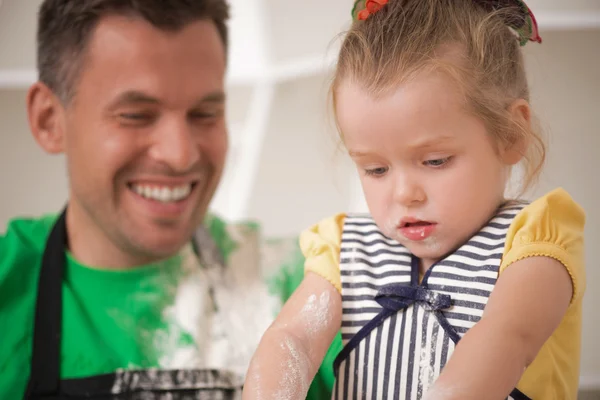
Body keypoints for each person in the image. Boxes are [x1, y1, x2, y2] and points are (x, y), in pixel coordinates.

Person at [242, 0, 586, 399]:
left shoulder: (535, 242)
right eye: (376, 170)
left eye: (435, 161)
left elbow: (507, 339)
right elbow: (292, 340)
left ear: (510, 134)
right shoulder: (344, 251)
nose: (405, 193)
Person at [0, 0, 341, 398]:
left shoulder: (306, 288)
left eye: (204, 114)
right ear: (49, 120)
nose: (181, 154)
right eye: (136, 115)